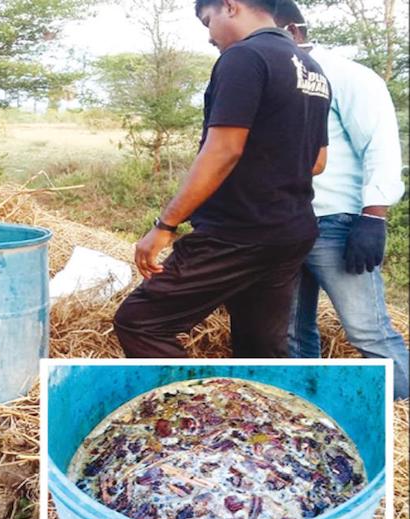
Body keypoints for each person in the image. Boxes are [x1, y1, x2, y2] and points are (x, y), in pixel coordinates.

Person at [113, 0, 330, 358]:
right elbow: (317, 161)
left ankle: (195, 411)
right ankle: (255, 412)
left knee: (140, 322)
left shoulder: (245, 57)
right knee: (261, 349)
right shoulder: (311, 68)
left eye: (207, 21)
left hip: (237, 233)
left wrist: (165, 225)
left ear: (229, 6)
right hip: (291, 231)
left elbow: (222, 151)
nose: (209, 35)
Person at [274, 0, 409, 399]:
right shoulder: (269, 76)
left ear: (294, 32)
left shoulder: (348, 75)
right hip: (286, 226)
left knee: (368, 332)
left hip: (337, 224)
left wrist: (374, 218)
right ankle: (308, 407)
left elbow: (380, 145)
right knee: (293, 334)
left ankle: (402, 418)